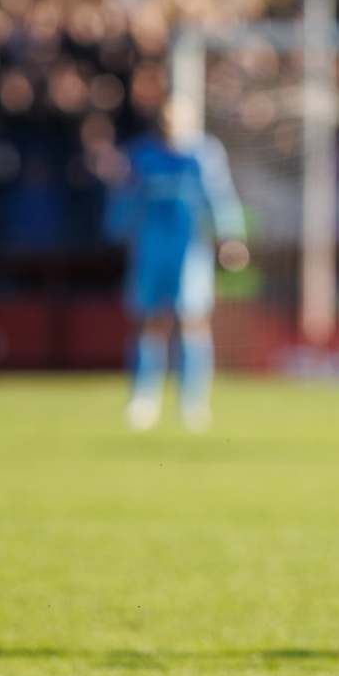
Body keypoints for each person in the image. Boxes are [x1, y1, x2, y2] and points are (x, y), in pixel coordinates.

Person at [104, 95, 247, 432]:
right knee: (148, 321)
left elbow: (221, 196)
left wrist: (230, 236)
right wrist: (116, 230)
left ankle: (193, 401)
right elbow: (126, 199)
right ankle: (144, 398)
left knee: (192, 321)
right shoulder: (142, 155)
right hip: (151, 249)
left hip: (190, 251)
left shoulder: (203, 154)